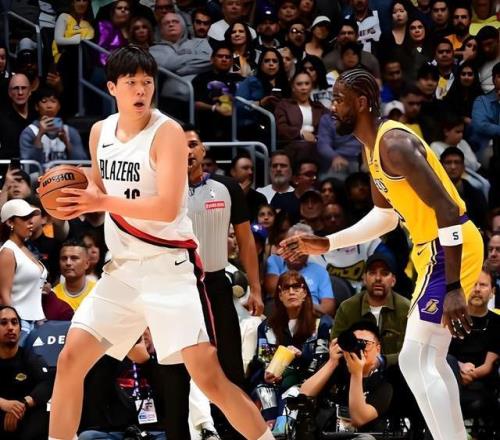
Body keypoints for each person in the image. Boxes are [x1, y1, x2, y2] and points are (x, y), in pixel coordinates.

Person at [46, 45, 273, 440]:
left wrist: (101, 202)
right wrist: (69, 201)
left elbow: (167, 208)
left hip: (168, 272)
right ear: (112, 87)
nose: (140, 90)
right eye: (131, 82)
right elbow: (99, 190)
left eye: (147, 82)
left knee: (210, 379)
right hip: (121, 272)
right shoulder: (101, 132)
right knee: (70, 360)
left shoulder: (167, 133)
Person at [279, 68, 484, 440]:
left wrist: (453, 285)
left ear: (360, 102)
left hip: (448, 246)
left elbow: (448, 208)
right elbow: (385, 216)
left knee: (413, 358)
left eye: (338, 99)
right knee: (430, 359)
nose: (332, 107)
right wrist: (327, 243)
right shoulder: (371, 148)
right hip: (436, 249)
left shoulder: (394, 144)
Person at [249, 270, 332, 434]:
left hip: (307, 383)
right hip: (274, 384)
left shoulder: (322, 323)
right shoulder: (266, 327)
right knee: (262, 390)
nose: (291, 292)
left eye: (296, 287)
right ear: (280, 295)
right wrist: (267, 373)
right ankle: (270, 431)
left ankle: (280, 432)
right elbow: (264, 361)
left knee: (290, 394)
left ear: (305, 292)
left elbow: (322, 363)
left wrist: (301, 356)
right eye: (286, 288)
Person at [301, 320, 394, 435]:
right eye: (355, 342)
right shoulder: (336, 371)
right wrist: (332, 362)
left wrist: (356, 373)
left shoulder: (383, 385)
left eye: (365, 343)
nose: (359, 348)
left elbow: (359, 419)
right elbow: (304, 394)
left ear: (378, 349)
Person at [331, 253, 410, 368]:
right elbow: (336, 347)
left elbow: (412, 353)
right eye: (372, 273)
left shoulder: (407, 309)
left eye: (384, 273)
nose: (378, 278)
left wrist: (382, 361)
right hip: (354, 370)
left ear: (393, 280)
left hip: (395, 372)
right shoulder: (347, 307)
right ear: (364, 279)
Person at [0, 305, 52, 439]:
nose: (10, 327)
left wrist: (23, 404)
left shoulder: (29, 357)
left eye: (14, 322)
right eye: (3, 323)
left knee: (43, 414)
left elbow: (48, 383)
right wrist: (4, 404)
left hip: (24, 419)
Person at [0, 200, 47, 345]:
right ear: (10, 222)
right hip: (21, 324)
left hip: (37, 322)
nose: (31, 222)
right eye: (25, 218)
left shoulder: (25, 249)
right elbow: (4, 294)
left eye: (31, 217)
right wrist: (14, 324)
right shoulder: (8, 252)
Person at [266, 223, 335, 317]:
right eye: (293, 245)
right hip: (282, 317)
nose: (297, 250)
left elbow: (328, 309)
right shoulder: (275, 261)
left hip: (312, 317)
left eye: (303, 246)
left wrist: (301, 305)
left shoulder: (320, 271)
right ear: (285, 245)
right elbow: (272, 289)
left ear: (311, 249)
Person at [53, 239, 95, 311]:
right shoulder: (54, 295)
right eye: (64, 258)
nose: (68, 263)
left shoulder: (96, 293)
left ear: (87, 264)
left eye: (74, 258)